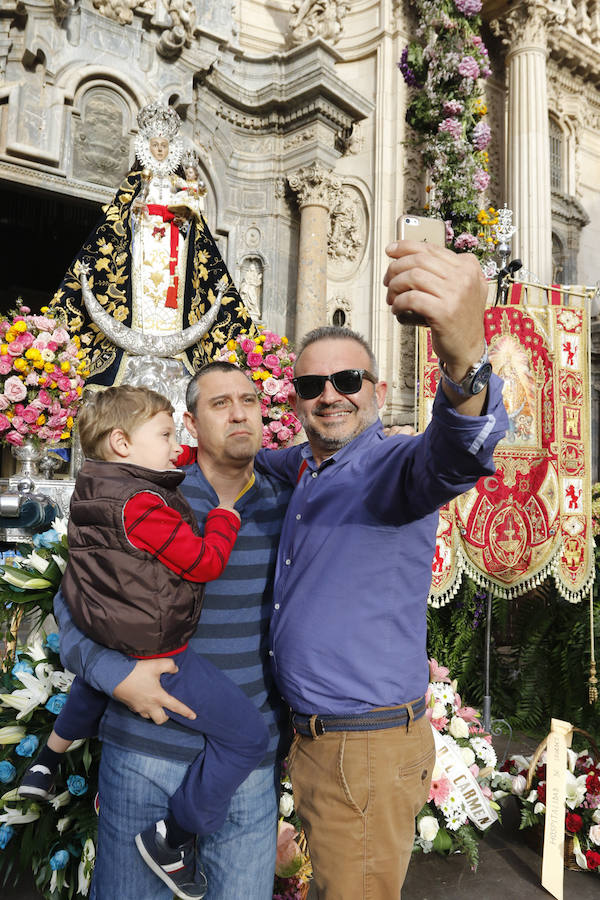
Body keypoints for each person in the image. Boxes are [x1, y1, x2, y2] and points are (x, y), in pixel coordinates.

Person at [253, 240, 510, 898]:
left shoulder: (393, 465)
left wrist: (466, 360)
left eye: (347, 381)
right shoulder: (301, 464)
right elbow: (245, 458)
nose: (329, 396)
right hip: (316, 742)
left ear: (379, 391)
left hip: (361, 752)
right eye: (311, 386)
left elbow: (456, 454)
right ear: (296, 400)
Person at [19, 384, 270, 899]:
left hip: (245, 773)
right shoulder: (151, 497)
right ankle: (170, 840)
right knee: (245, 735)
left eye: (250, 400)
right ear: (192, 422)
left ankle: (46, 760)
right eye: (219, 403)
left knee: (93, 687)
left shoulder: (106, 485)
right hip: (147, 732)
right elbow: (73, 599)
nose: (238, 413)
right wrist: (119, 676)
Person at [50, 101, 255, 388]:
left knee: (173, 287)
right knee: (143, 283)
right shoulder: (135, 181)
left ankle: (172, 340)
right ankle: (139, 333)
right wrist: (135, 215)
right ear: (146, 147)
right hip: (143, 245)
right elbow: (117, 224)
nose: (160, 150)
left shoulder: (179, 183)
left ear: (172, 149)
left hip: (174, 247)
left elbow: (195, 218)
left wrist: (185, 217)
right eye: (155, 145)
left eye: (164, 146)